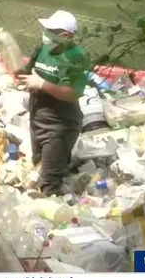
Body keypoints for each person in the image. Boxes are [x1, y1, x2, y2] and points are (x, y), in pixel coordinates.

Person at [16, 10, 91, 196]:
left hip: (60, 126)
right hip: (37, 120)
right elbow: (27, 74)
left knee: (48, 182)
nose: (45, 33)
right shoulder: (42, 50)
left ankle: (51, 216)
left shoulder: (76, 57)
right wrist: (24, 82)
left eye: (50, 30)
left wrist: (42, 84)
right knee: (38, 166)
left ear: (66, 36)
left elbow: (74, 93)